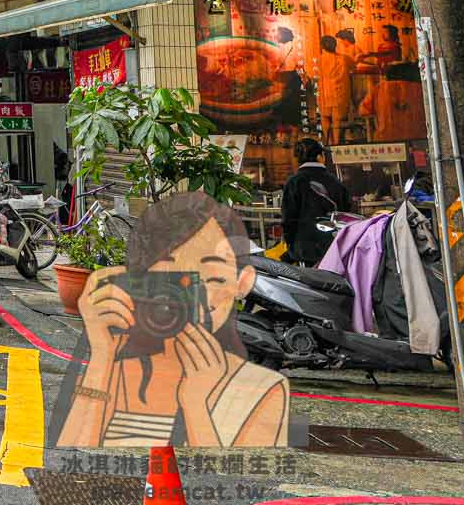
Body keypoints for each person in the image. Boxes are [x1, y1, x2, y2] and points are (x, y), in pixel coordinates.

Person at [57, 192, 291, 448]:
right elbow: (71, 454)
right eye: (172, 279)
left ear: (242, 283)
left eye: (213, 277)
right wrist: (101, 357)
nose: (191, 299)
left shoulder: (262, 388)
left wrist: (196, 405)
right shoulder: (115, 368)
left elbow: (227, 478)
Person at [279, 137, 350, 267]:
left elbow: (288, 218)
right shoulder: (335, 182)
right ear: (319, 157)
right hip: (333, 249)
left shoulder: (294, 182)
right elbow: (346, 215)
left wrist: (290, 244)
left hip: (304, 250)